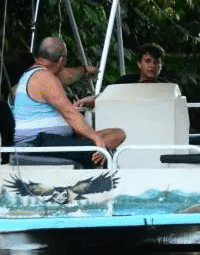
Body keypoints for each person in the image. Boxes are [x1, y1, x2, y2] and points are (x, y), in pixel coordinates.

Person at [12, 36, 126, 167]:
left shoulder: (41, 73)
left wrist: (84, 70)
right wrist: (96, 139)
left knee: (118, 134)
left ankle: (97, 152)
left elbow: (68, 74)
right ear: (61, 59)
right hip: (37, 142)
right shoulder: (44, 77)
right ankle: (96, 170)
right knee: (98, 151)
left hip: (55, 139)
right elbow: (69, 114)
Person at [73, 42, 167, 109]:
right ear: (139, 64)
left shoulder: (166, 87)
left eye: (156, 62)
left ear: (161, 66)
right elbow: (105, 96)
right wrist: (82, 102)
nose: (152, 66)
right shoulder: (126, 81)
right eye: (148, 61)